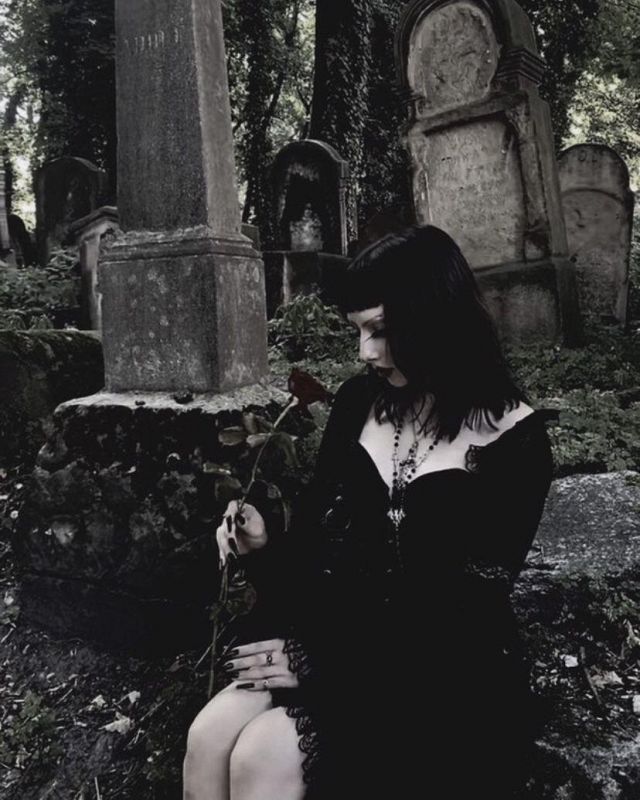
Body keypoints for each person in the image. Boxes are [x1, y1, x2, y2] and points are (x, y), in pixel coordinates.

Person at [183, 225, 555, 800]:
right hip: (330, 639)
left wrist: (321, 659)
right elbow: (318, 554)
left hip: (438, 679)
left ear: (436, 318)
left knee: (262, 755)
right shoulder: (360, 405)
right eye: (358, 331)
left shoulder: (516, 444)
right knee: (208, 737)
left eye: (380, 330)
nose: (366, 352)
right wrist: (263, 548)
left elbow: (465, 616)